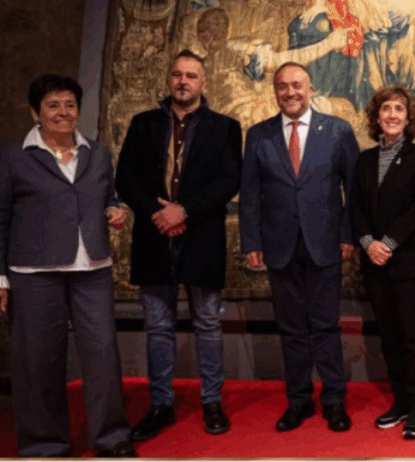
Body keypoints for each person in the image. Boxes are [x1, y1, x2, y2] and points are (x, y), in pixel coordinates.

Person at [0, 75, 135, 457]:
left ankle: (111, 438)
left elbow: (108, 197)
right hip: (33, 274)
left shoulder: (98, 153)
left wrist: (114, 210)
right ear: (35, 113)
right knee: (38, 361)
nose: (63, 112)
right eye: (53, 105)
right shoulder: (13, 157)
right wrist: (0, 278)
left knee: (103, 355)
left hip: (92, 270)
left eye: (70, 104)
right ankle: (45, 445)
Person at [115, 50, 242, 439]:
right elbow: (126, 178)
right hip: (154, 237)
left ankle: (212, 402)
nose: (183, 81)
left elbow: (229, 180)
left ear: (204, 82)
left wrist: (183, 211)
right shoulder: (143, 123)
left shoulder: (225, 127)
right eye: (177, 74)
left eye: (191, 75)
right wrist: (160, 213)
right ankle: (161, 405)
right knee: (158, 326)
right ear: (168, 79)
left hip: (202, 236)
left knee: (208, 323)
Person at [239, 62, 360, 432]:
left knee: (325, 327)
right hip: (279, 246)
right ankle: (298, 401)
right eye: (282, 86)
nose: (289, 92)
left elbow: (353, 190)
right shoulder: (259, 135)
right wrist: (251, 241)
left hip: (325, 244)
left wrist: (347, 235)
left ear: (310, 89)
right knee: (291, 328)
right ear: (275, 91)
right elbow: (250, 194)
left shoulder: (338, 130)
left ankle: (334, 401)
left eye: (296, 85)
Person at [353, 87, 415, 440]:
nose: (392, 114)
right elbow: (354, 208)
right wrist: (368, 244)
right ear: (377, 116)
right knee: (389, 338)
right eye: (385, 108)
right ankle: (400, 402)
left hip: (409, 264)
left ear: (408, 117)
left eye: (399, 109)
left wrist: (386, 244)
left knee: (412, 338)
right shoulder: (364, 160)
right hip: (374, 264)